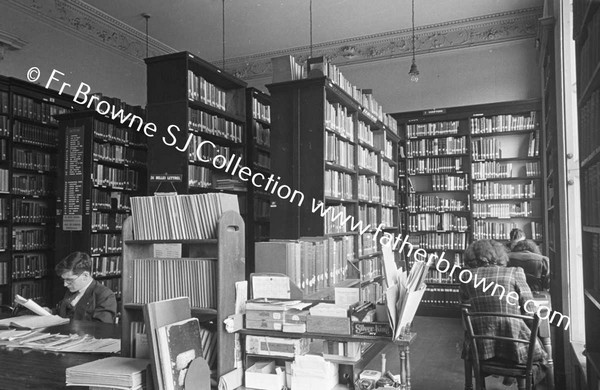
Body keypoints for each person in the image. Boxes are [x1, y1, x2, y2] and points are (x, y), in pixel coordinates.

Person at [460, 239, 547, 386]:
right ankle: (522, 380)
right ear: (499, 255)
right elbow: (530, 310)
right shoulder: (514, 272)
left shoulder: (467, 277)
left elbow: (465, 309)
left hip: (482, 348)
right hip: (515, 348)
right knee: (542, 350)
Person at [54, 252, 117, 323]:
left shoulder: (105, 295)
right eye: (64, 279)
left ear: (85, 276)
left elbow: (101, 328)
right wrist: (50, 312)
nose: (65, 284)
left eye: (69, 279)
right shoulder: (72, 290)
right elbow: (62, 313)